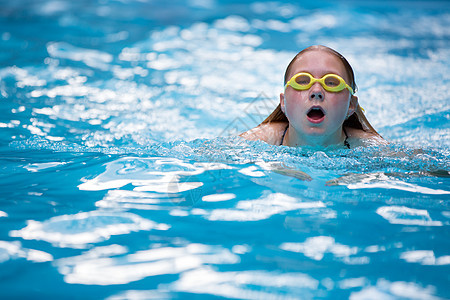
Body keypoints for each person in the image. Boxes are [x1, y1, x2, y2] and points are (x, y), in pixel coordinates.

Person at [241, 45, 386, 148]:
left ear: (350, 105)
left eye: (332, 83)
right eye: (302, 81)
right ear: (283, 102)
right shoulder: (256, 142)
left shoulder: (372, 149)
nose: (316, 91)